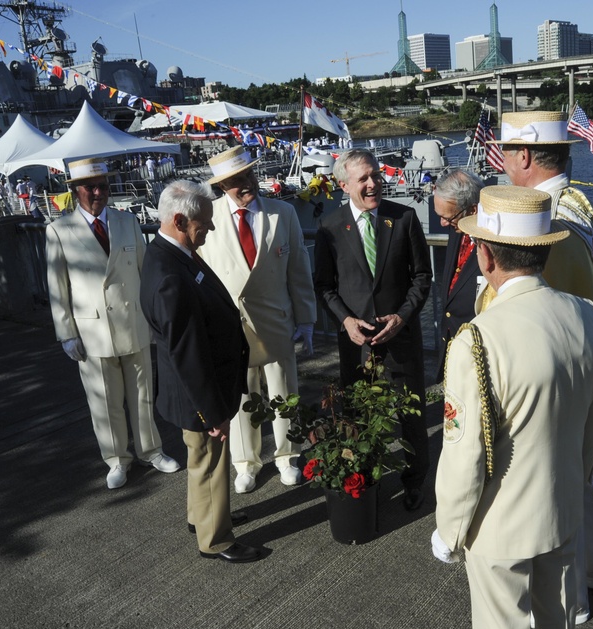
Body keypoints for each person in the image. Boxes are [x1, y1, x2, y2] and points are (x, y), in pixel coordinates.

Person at [432, 185, 593, 629]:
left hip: (499, 523)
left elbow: (464, 454)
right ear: (543, 250)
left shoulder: (478, 340)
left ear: (485, 256)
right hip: (562, 506)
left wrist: (449, 531)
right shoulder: (589, 316)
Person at [492, 110, 593, 619]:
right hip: (588, 365)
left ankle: (570, 600)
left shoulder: (543, 224)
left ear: (525, 155)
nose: (503, 162)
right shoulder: (579, 204)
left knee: (555, 494)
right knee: (579, 481)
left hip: (551, 379)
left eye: (507, 152)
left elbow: (525, 311)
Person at [140, 180, 261, 564]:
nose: (209, 229)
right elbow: (187, 350)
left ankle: (204, 516)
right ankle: (217, 539)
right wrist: (213, 412)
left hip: (194, 387)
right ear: (179, 219)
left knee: (199, 458)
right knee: (210, 461)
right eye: (203, 223)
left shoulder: (168, 253)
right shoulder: (171, 275)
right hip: (199, 391)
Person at [45, 157, 180, 489]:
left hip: (133, 322)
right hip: (92, 330)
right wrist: (66, 334)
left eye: (103, 186)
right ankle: (117, 458)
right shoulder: (58, 231)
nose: (97, 192)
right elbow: (57, 288)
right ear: (76, 191)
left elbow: (146, 274)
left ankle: (152, 450)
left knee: (142, 395)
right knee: (105, 401)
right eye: (90, 187)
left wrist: (155, 317)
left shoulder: (127, 221)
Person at [313, 148, 432, 511]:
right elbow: (325, 286)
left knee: (411, 417)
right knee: (359, 418)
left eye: (375, 175)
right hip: (357, 343)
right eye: (363, 178)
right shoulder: (329, 228)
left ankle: (415, 481)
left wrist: (403, 316)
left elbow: (422, 277)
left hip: (401, 338)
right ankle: (366, 480)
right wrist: (346, 321)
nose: (372, 183)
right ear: (343, 184)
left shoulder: (405, 218)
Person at [201, 146, 317, 494]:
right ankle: (246, 463)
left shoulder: (283, 213)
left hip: (277, 320)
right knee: (241, 398)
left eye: (249, 175)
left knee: (284, 393)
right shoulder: (209, 217)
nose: (247, 183)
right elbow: (202, 275)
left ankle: (288, 456)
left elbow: (299, 270)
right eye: (236, 180)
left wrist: (307, 319)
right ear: (222, 187)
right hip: (231, 327)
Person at [433, 168, 483, 380]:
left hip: (478, 354)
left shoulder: (493, 244)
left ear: (472, 210)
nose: (443, 223)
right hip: (452, 349)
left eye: (447, 217)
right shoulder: (457, 229)